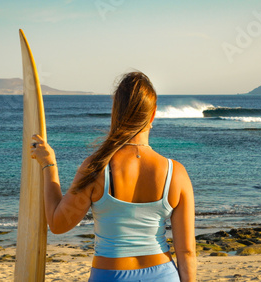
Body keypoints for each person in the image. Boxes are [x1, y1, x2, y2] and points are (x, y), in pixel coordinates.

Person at [31, 71, 196, 281]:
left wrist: (49, 165)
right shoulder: (177, 173)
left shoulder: (97, 167)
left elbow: (58, 224)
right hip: (163, 274)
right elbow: (187, 252)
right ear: (153, 114)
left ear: (115, 111)